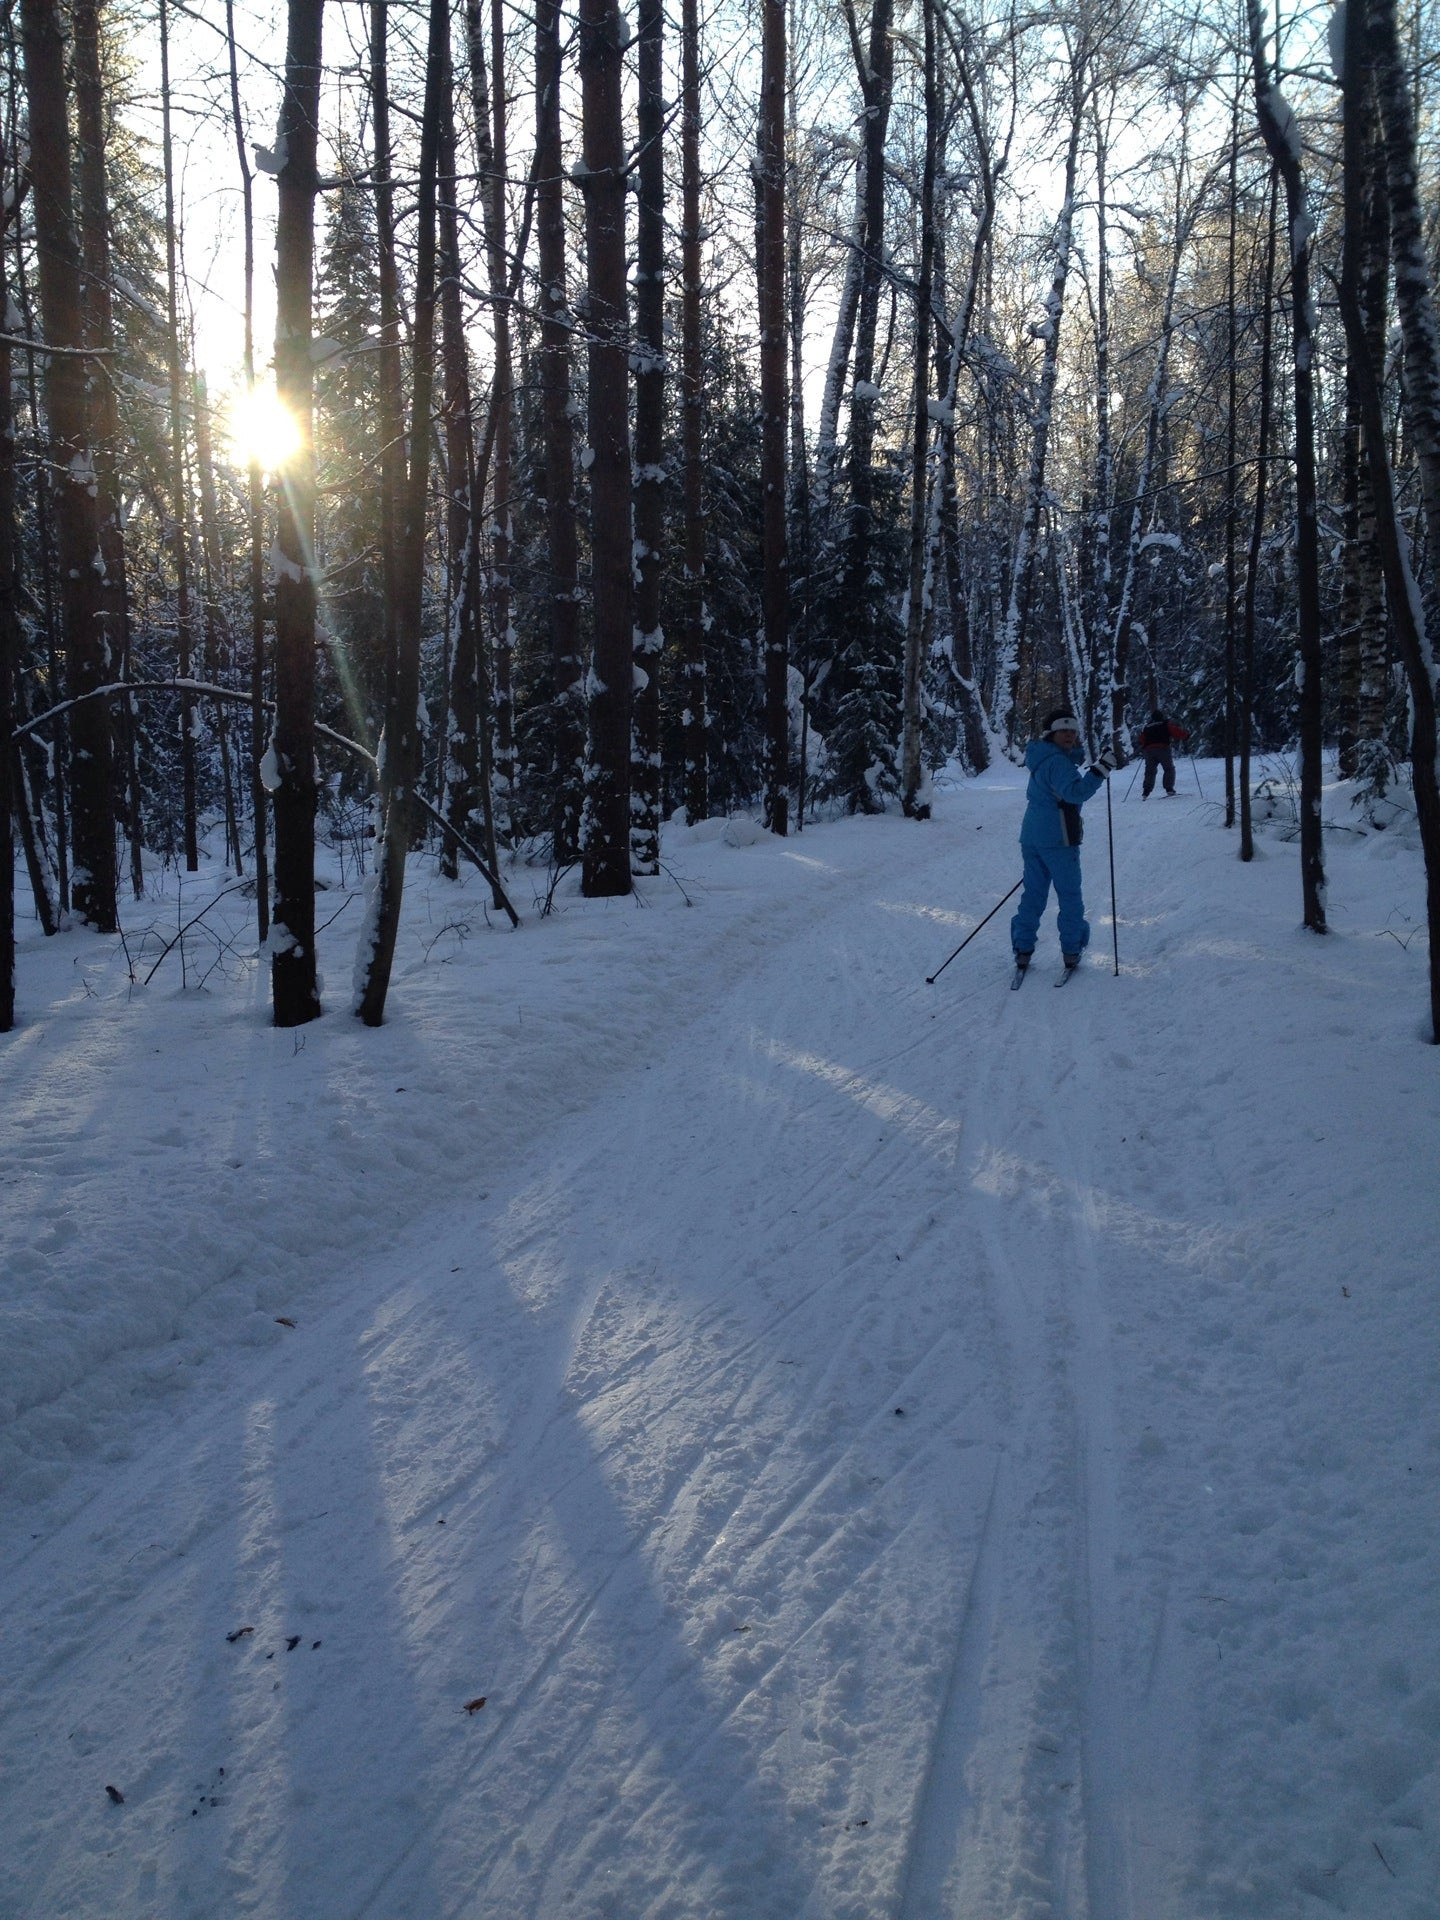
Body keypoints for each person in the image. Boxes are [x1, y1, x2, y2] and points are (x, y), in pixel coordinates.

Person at [1011, 709, 1116, 973]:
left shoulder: (1042, 757)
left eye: (1073, 730)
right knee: (1069, 895)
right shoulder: (1058, 762)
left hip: (1033, 837)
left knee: (1033, 894)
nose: (1069, 735)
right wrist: (1100, 770)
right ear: (1051, 734)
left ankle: (1023, 948)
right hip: (1058, 839)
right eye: (1063, 730)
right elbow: (1075, 793)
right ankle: (1072, 949)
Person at [1137, 708, 1190, 797]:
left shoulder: (1147, 727)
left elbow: (1141, 739)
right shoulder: (1165, 724)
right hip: (1163, 749)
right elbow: (1176, 732)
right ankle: (1169, 788)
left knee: (1150, 771)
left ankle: (1146, 791)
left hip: (1149, 751)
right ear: (1161, 717)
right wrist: (1185, 735)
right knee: (1168, 768)